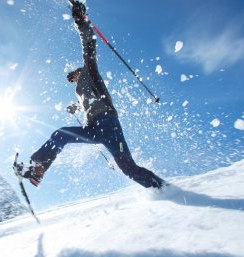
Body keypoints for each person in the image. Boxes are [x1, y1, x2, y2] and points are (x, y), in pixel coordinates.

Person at [17, 1, 165, 189]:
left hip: (108, 125)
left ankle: (163, 188)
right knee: (61, 134)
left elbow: (89, 45)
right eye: (71, 79)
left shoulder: (90, 71)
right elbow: (89, 102)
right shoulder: (81, 90)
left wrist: (81, 21)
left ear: (80, 71)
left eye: (74, 75)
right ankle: (38, 169)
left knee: (129, 169)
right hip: (94, 128)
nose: (73, 79)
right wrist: (76, 107)